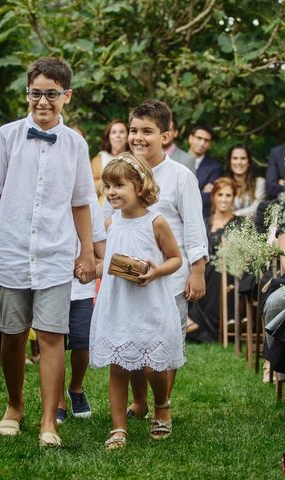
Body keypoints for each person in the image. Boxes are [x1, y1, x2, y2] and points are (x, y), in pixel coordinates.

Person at [0, 57, 95, 448]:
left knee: (53, 336)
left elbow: (81, 202)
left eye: (52, 94)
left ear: (66, 96)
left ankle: (48, 422)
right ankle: (14, 406)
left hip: (56, 253)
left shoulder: (76, 143)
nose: (43, 102)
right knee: (11, 334)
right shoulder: (6, 136)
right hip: (11, 250)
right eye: (36, 93)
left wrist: (87, 252)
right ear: (27, 93)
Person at [103, 100, 207, 419]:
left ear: (166, 135)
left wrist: (198, 271)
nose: (137, 137)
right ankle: (139, 402)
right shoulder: (122, 170)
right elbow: (108, 218)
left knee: (163, 345)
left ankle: (162, 405)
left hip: (169, 278)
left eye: (147, 131)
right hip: (128, 277)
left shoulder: (181, 176)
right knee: (132, 340)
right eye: (133, 130)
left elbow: (193, 226)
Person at [90, 152, 184, 449]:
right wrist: (91, 268)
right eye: (108, 186)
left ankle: (162, 404)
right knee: (118, 366)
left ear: (140, 186)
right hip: (118, 303)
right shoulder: (111, 223)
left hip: (149, 303)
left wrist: (156, 271)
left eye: (119, 185)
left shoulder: (156, 222)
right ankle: (118, 429)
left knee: (152, 367)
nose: (112, 192)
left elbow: (176, 259)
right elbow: (107, 262)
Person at [56, 194, 106, 424]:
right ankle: (57, 400)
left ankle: (75, 387)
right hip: (52, 279)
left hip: (82, 286)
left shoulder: (88, 199)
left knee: (82, 341)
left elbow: (98, 243)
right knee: (53, 341)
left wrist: (103, 264)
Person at [187, 177, 238, 343]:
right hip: (200, 271)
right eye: (220, 194)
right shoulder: (203, 223)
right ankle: (194, 323)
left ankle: (199, 323)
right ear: (213, 197)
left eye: (228, 195)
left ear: (234, 198)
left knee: (216, 270)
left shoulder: (240, 224)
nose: (223, 199)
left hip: (226, 274)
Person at [188, 125, 222, 217]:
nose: (202, 143)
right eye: (199, 138)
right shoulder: (175, 161)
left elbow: (208, 199)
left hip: (200, 218)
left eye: (206, 140)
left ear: (210, 145)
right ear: (190, 138)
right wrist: (201, 192)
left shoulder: (215, 167)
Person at [90, 120, 127, 204]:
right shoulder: (98, 160)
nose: (118, 135)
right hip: (102, 206)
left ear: (127, 137)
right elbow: (91, 190)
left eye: (121, 132)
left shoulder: (134, 160)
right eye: (114, 132)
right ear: (108, 137)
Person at [227, 144, 265, 219]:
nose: (239, 162)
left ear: (249, 162)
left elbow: (256, 209)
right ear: (230, 161)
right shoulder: (225, 185)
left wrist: (234, 214)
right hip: (227, 228)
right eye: (235, 158)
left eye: (243, 158)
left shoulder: (260, 183)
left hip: (254, 228)